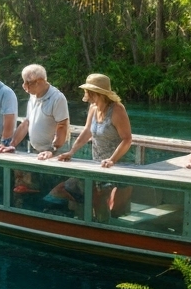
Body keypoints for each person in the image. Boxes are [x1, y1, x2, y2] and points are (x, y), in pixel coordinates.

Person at [51, 74, 134, 221]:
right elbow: (87, 131)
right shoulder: (93, 108)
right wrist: (71, 152)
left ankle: (102, 229)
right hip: (97, 165)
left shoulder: (117, 110)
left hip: (116, 165)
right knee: (67, 188)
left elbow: (127, 139)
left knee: (100, 200)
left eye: (87, 90)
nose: (85, 93)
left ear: (95, 93)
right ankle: (87, 222)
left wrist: (112, 160)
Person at [0, 64, 69, 158]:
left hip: (55, 153)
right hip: (36, 152)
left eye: (28, 82)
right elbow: (26, 123)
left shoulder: (57, 98)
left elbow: (62, 126)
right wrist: (11, 145)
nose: (25, 87)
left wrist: (52, 150)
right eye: (24, 82)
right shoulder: (33, 95)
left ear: (40, 81)